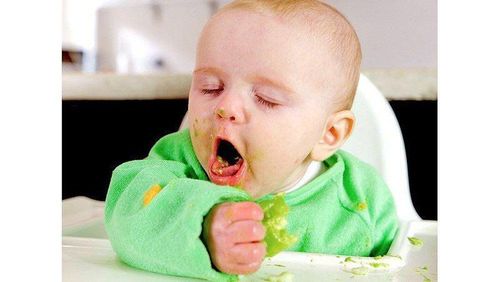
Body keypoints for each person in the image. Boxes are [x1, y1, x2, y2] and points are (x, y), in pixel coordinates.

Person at [104, 1, 399, 281]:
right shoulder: (177, 162)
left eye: (266, 99)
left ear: (328, 134)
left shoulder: (360, 200)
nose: (226, 107)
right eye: (211, 87)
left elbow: (403, 265)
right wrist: (203, 226)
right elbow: (125, 214)